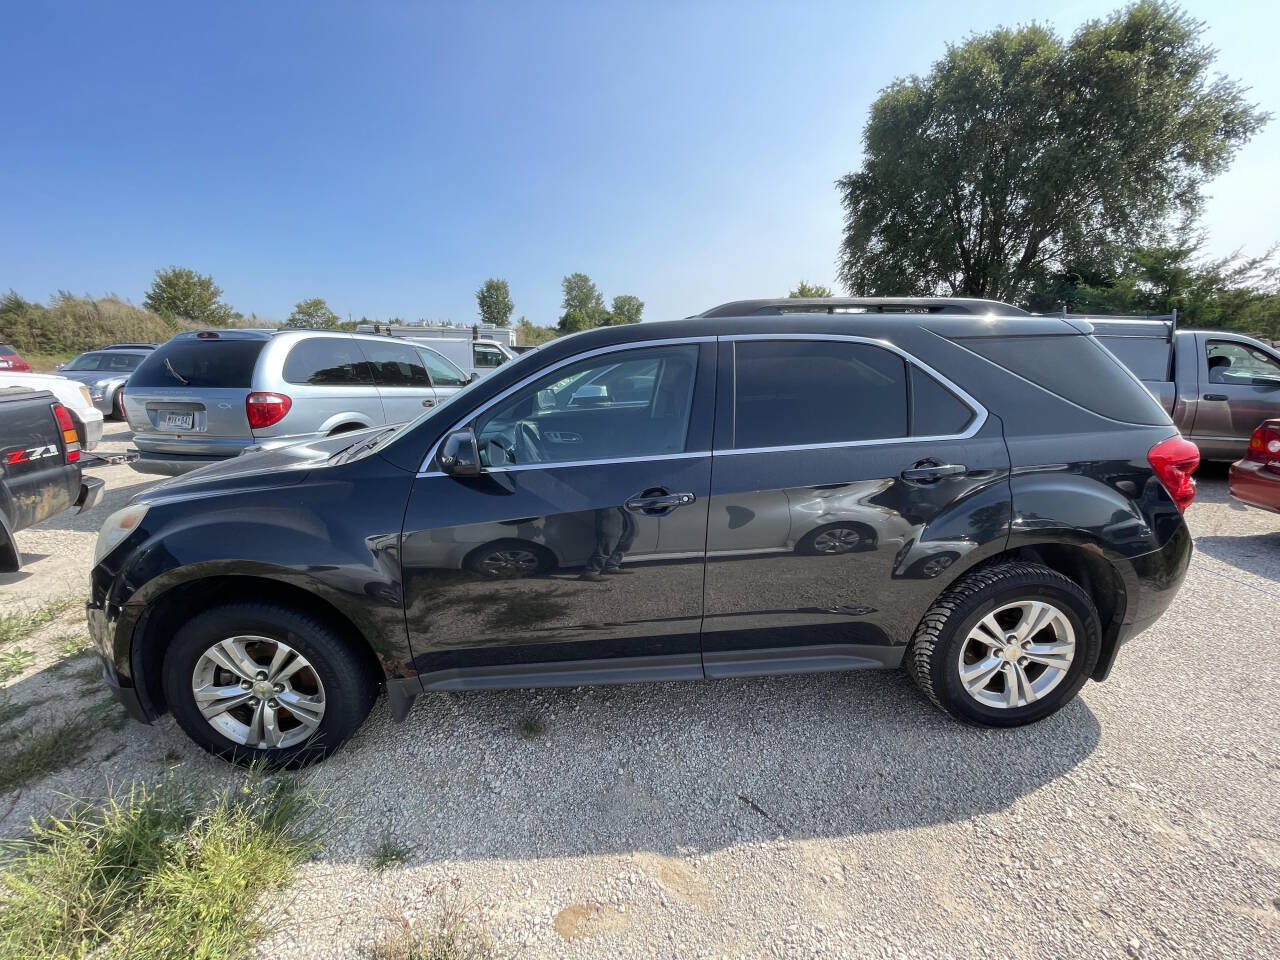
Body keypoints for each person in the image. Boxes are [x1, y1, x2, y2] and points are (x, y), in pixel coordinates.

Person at [580, 506, 637, 581]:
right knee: (610, 534)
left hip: (624, 500)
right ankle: (591, 571)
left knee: (632, 531)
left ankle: (611, 565)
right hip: (607, 500)